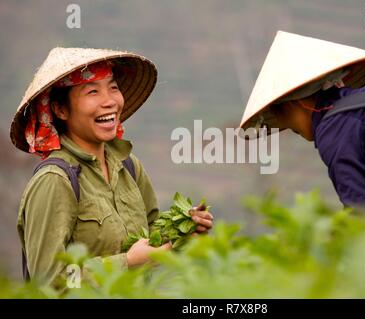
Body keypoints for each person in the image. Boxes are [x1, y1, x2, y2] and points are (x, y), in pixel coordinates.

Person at [11, 47, 214, 286]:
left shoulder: (127, 166)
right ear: (61, 109)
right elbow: (48, 280)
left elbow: (152, 239)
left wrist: (184, 230)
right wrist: (126, 262)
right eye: (93, 92)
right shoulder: (56, 180)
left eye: (113, 88)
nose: (109, 101)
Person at [239, 31, 365, 207]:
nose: (285, 127)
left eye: (278, 113)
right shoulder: (356, 106)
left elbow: (361, 208)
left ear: (292, 102)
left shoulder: (333, 126)